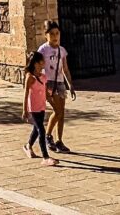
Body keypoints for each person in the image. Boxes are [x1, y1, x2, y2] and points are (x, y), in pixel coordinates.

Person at [36, 20, 78, 153]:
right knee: (57, 111)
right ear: (46, 35)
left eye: (57, 33)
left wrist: (70, 84)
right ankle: (48, 135)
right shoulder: (43, 50)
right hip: (49, 83)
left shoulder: (62, 50)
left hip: (60, 83)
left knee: (62, 113)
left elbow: (65, 69)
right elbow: (38, 68)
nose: (55, 36)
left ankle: (60, 140)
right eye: (52, 34)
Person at [22, 51, 57, 166]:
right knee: (41, 130)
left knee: (36, 130)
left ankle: (28, 146)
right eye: (42, 61)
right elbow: (26, 93)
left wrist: (53, 105)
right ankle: (45, 157)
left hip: (42, 107)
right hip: (33, 108)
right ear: (36, 63)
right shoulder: (30, 78)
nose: (44, 63)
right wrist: (25, 110)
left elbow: (46, 94)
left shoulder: (43, 77)